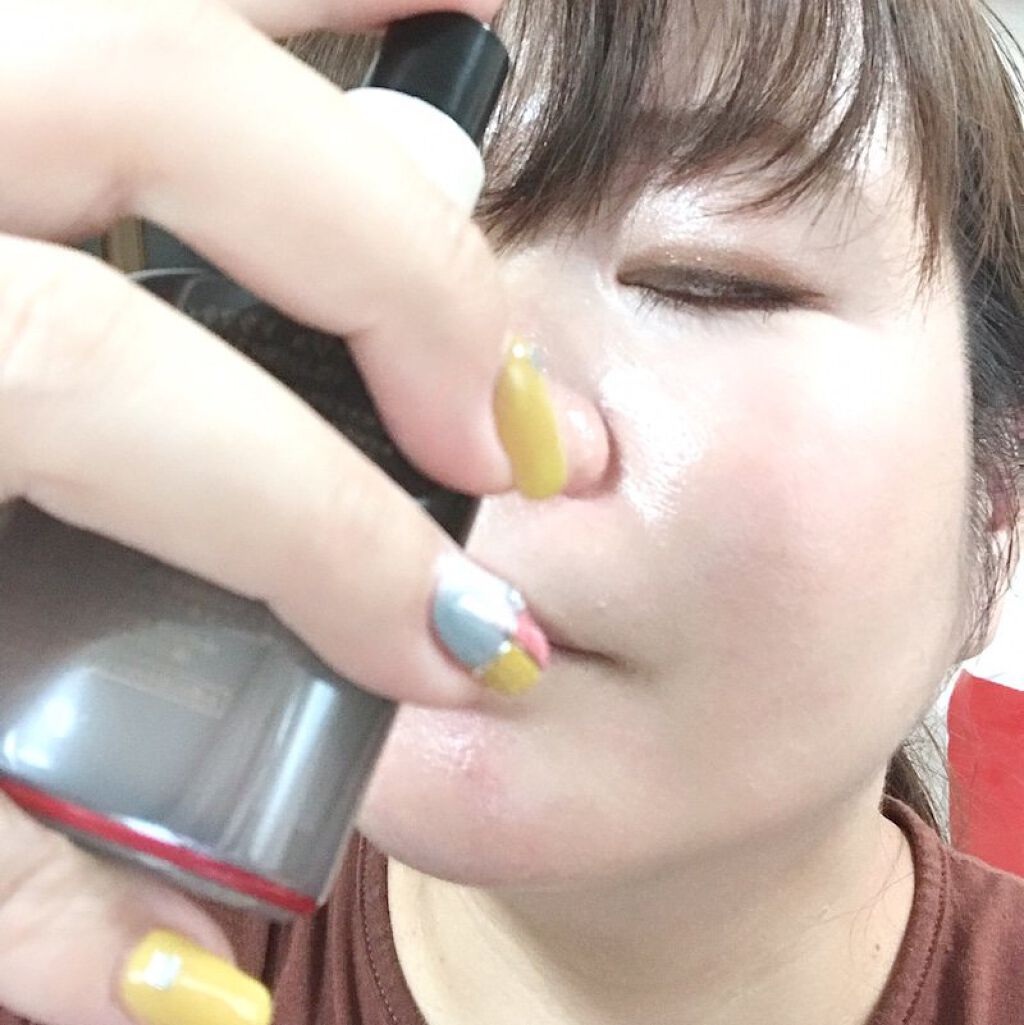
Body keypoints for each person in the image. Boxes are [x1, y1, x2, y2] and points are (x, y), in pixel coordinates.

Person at [0, 1, 1023, 1023]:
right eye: (315, 274)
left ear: (996, 499)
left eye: (706, 279)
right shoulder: (51, 932)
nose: (442, 413)